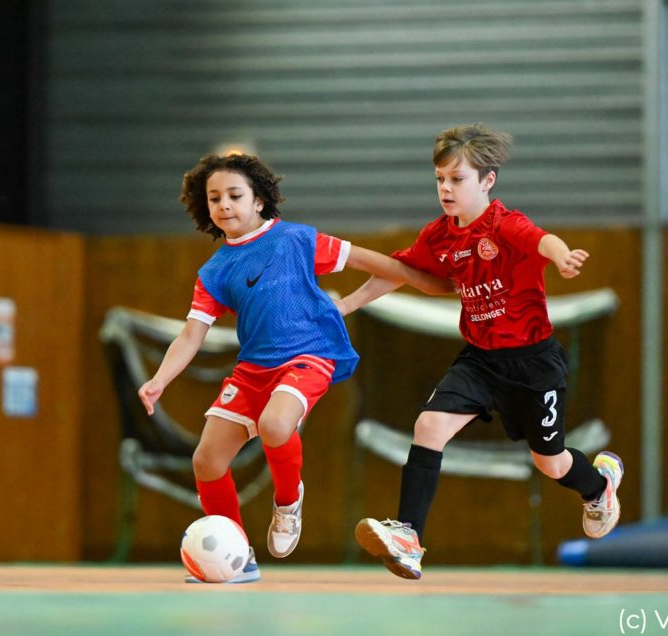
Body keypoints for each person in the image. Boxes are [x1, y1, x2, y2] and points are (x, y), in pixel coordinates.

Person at [138, 152, 451, 584]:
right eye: (214, 198)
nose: (224, 205)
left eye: (234, 195)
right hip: (253, 370)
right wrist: (159, 380)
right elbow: (191, 335)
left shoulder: (297, 240)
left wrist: (429, 283)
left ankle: (288, 502)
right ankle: (239, 559)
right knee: (206, 461)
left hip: (310, 355)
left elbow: (374, 263)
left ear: (259, 201)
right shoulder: (214, 271)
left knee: (276, 423)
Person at [338, 124, 623, 580]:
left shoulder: (505, 225)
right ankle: (409, 538)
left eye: (457, 179)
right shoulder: (439, 236)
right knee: (429, 426)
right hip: (480, 359)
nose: (446, 189)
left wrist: (562, 255)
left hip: (533, 363)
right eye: (440, 179)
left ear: (487, 180)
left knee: (550, 463)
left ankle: (599, 486)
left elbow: (542, 240)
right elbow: (399, 270)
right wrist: (347, 304)